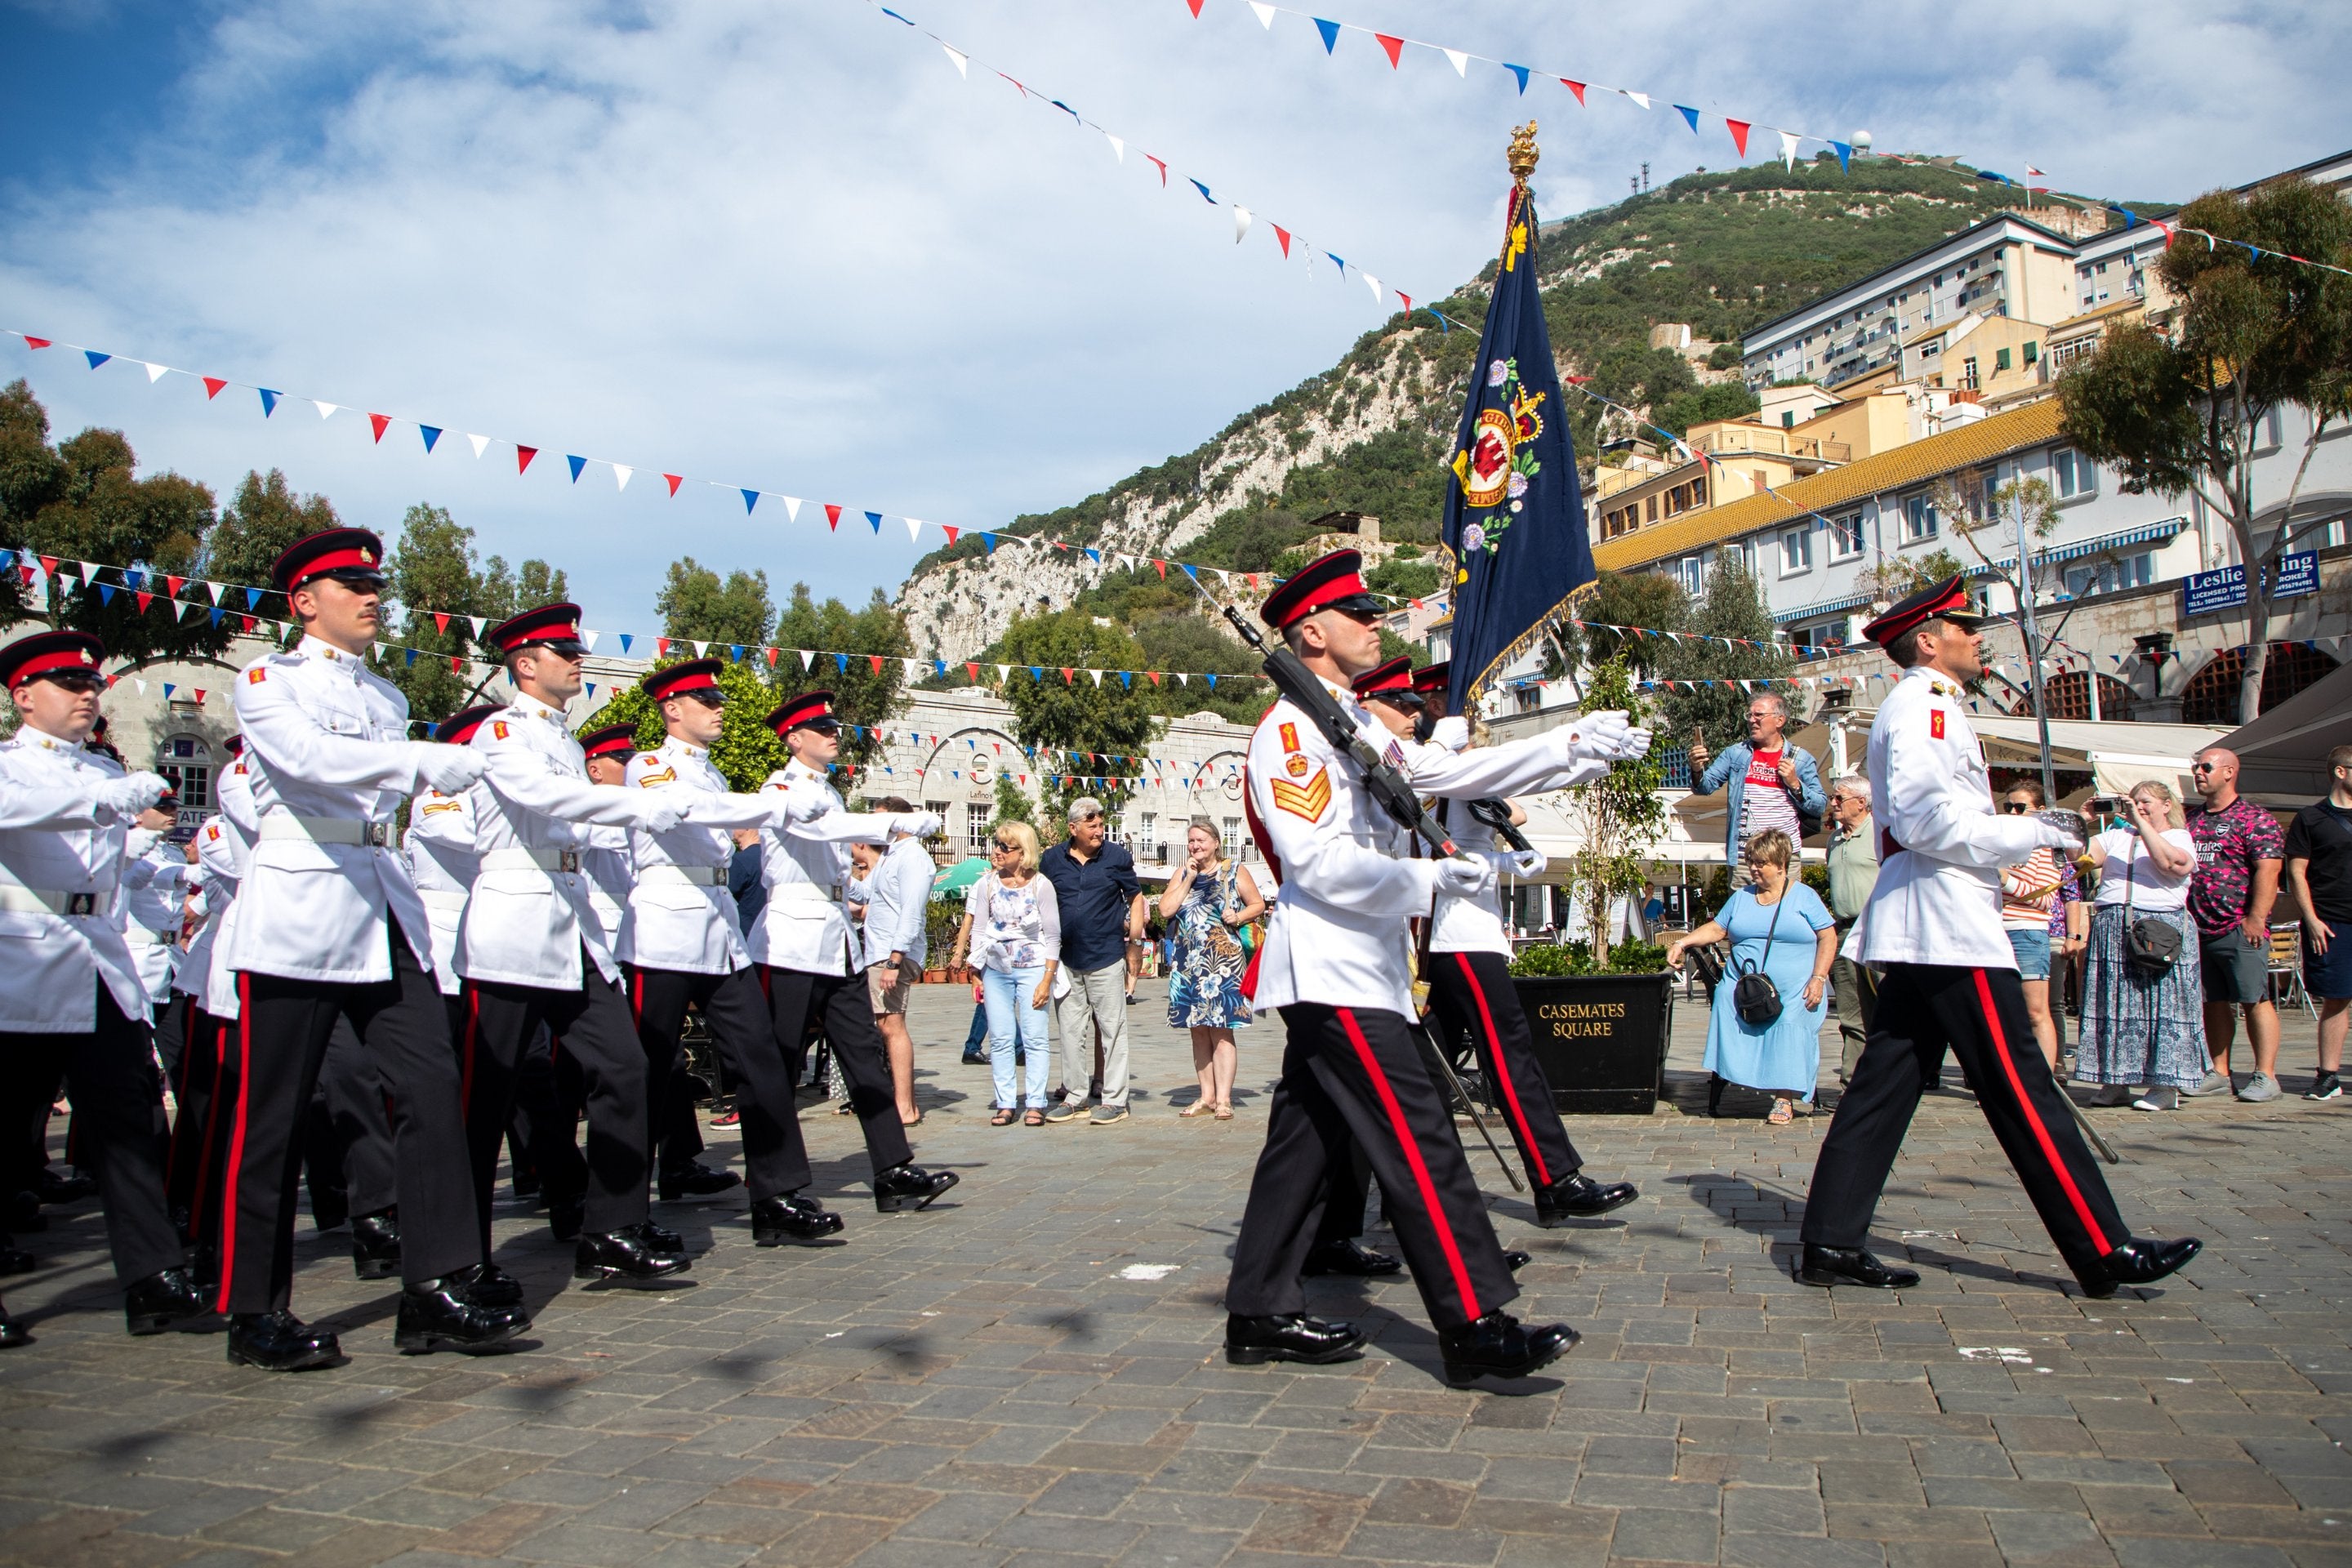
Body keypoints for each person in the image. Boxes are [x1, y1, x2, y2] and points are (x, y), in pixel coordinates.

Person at [1223, 548, 1575, 1384]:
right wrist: (1428, 876)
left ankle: (1259, 1310)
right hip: (1335, 967)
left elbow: (1451, 771)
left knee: (1304, 1142)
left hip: (1360, 968)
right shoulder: (1293, 734)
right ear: (1310, 629)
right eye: (1360, 613)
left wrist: (1569, 748)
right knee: (1421, 1139)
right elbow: (1319, 867)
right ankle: (1475, 1323)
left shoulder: (1349, 723)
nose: (1377, 622)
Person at [1794, 574, 2198, 1298]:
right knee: (2021, 1085)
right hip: (1946, 925)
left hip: (1935, 918)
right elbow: (1921, 822)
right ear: (1930, 640)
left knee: (1885, 1087)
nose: (1980, 638)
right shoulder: (1926, 708)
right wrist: (2035, 830)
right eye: (1967, 627)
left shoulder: (1932, 707)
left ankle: (1830, 1238)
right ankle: (2103, 1247)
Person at [222, 528, 528, 1369]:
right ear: (303, 602)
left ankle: (432, 1287)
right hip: (300, 902)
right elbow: (307, 759)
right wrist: (423, 759)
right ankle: (254, 1311)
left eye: (373, 586)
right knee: (273, 1121)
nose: (370, 597)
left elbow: (377, 777)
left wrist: (411, 759)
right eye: (349, 586)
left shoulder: (387, 696)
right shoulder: (265, 681)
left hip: (379, 900)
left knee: (431, 1090)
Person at [457, 603, 705, 1288]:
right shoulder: (500, 731)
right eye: (563, 652)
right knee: (485, 1097)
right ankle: (460, 1254)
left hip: (571, 926)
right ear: (525, 664)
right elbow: (545, 801)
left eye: (576, 650)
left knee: (624, 1068)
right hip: (512, 921)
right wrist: (638, 806)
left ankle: (611, 1227)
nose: (577, 659)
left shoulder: (565, 740)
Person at [1353, 654, 1644, 1223]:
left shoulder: (1453, 763)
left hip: (1462, 931)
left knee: (1430, 1074)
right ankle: (1553, 1176)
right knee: (1509, 1054)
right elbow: (1494, 787)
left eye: (1429, 705)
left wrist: (1592, 759)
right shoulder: (1437, 767)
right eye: (1425, 704)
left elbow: (1511, 780)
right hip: (1458, 933)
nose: (1421, 714)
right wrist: (1580, 749)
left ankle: (1414, 1195)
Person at [0, 629, 212, 1349]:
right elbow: (14, 815)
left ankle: (153, 1277)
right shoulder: (10, 766)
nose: (88, 696)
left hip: (96, 960)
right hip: (22, 962)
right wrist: (105, 801)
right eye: (69, 685)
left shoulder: (98, 767)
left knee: (129, 1125)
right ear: (25, 698)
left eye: (92, 686)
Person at [619, 660, 848, 1248]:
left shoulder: (715, 774)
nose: (719, 707)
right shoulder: (648, 766)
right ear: (672, 709)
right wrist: (771, 808)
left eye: (719, 697)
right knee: (645, 1070)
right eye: (705, 698)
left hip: (718, 931)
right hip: (666, 929)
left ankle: (775, 1195)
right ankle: (620, 1219)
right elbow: (690, 814)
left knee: (764, 1061)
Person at [746, 693, 955, 1212]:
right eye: (821, 727)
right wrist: (892, 825)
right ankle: (773, 1187)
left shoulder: (830, 791)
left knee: (864, 1055)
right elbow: (819, 830)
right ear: (794, 739)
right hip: (790, 940)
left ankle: (893, 1169)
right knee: (778, 1065)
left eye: (834, 725)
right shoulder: (783, 787)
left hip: (834, 938)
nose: (834, 733)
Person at [1668, 829, 1837, 1125]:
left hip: (1795, 986)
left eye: (1761, 863)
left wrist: (1819, 977)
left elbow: (1828, 937)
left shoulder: (1804, 897)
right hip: (1746, 984)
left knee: (1792, 1016)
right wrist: (1682, 942)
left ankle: (1784, 1096)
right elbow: (1718, 929)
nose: (1754, 868)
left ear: (1781, 864)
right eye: (1751, 862)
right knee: (1723, 997)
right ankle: (1741, 1074)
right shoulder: (1741, 898)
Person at [2078, 781, 2205, 1112]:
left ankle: (2165, 1086)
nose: (2139, 807)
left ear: (2166, 805)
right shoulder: (2116, 837)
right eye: (2134, 802)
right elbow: (2077, 860)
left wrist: (2140, 824)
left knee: (2164, 1006)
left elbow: (2170, 864)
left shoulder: (2179, 837)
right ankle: (2116, 1080)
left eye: (2146, 802)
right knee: (2114, 1004)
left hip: (2160, 929)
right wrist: (2081, 822)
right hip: (2113, 926)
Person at [2187, 747, 2286, 1102]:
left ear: (2229, 772)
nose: (2198, 772)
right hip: (2199, 926)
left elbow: (2269, 869)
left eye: (2206, 767)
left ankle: (2266, 1076)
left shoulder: (2254, 818)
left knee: (2254, 998)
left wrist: (2257, 917)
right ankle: (2219, 1071)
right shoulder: (2192, 818)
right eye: (2195, 767)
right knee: (2213, 1001)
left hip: (2239, 925)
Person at [1038, 798, 1142, 1125]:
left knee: (1112, 1030)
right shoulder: (1052, 859)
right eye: (1092, 825)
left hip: (1106, 956)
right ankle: (1075, 1096)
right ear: (1073, 828)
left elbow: (1135, 897)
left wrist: (1135, 943)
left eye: (1101, 824)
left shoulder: (1117, 857)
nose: (1099, 830)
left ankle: (1114, 1099)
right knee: (1069, 1031)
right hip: (1065, 960)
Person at [949, 822, 1061, 1126]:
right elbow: (980, 931)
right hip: (996, 968)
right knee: (1000, 1037)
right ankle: (1006, 1102)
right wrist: (976, 969)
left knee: (1035, 1037)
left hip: (1034, 966)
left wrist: (1047, 978)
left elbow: (1053, 936)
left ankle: (1036, 1102)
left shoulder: (1041, 885)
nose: (996, 851)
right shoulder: (986, 884)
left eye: (1004, 846)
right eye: (996, 844)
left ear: (1023, 853)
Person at [1158, 817, 1263, 1120]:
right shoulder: (1182, 873)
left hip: (1223, 964)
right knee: (1198, 1031)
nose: (1195, 846)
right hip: (1188, 963)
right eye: (1191, 841)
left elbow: (1257, 904)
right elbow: (1165, 910)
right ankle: (1206, 1096)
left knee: (1222, 1031)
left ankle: (1225, 1099)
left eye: (1201, 840)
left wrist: (1239, 917)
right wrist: (1188, 879)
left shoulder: (1234, 871)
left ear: (1216, 843)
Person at [1685, 692, 1829, 878]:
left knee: (1784, 907)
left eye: (1759, 715)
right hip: (1745, 858)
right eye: (1749, 715)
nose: (1752, 720)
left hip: (1783, 858)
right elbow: (1704, 787)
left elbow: (1820, 806)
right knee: (1744, 907)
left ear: (1780, 720)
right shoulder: (1736, 753)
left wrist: (1795, 784)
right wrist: (1696, 768)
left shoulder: (1801, 759)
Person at [857, 797, 937, 1128]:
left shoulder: (914, 858)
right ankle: (902, 1103)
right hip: (878, 949)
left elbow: (911, 912)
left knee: (892, 1025)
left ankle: (904, 1106)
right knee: (883, 1025)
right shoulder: (891, 855)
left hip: (891, 952)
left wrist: (894, 960)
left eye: (881, 820)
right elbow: (864, 895)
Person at [2284, 745, 2352, 1100]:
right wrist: (2310, 918)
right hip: (2334, 919)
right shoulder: (2311, 818)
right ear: (2340, 772)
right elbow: (2297, 872)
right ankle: (2328, 1076)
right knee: (2337, 997)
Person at [1998, 782, 2069, 1071]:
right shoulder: (2002, 843)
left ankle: (2043, 1079)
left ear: (2039, 811)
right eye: (2008, 807)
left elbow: (2045, 899)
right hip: (1995, 931)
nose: (2013, 813)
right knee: (2003, 1012)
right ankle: (2009, 1078)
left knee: (2036, 1012)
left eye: (2020, 807)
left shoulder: (2047, 848)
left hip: (2027, 931)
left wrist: (2004, 880)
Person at [1824, 775, 1880, 1085]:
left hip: (1877, 930)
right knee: (1850, 1012)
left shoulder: (1880, 834)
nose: (1833, 804)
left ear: (1861, 802)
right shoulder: (1834, 839)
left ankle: (1890, 1080)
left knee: (1886, 1008)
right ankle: (1853, 1084)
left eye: (1839, 798)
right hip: (1844, 931)